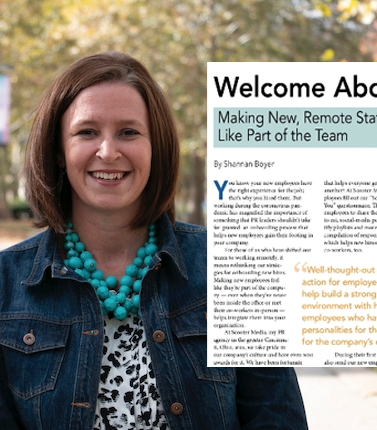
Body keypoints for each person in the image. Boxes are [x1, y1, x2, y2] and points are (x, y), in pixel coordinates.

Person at [0, 52, 308, 430]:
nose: (108, 151)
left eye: (129, 132)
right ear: (59, 152)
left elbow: (277, 417)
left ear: (155, 147)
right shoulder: (5, 284)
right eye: (87, 132)